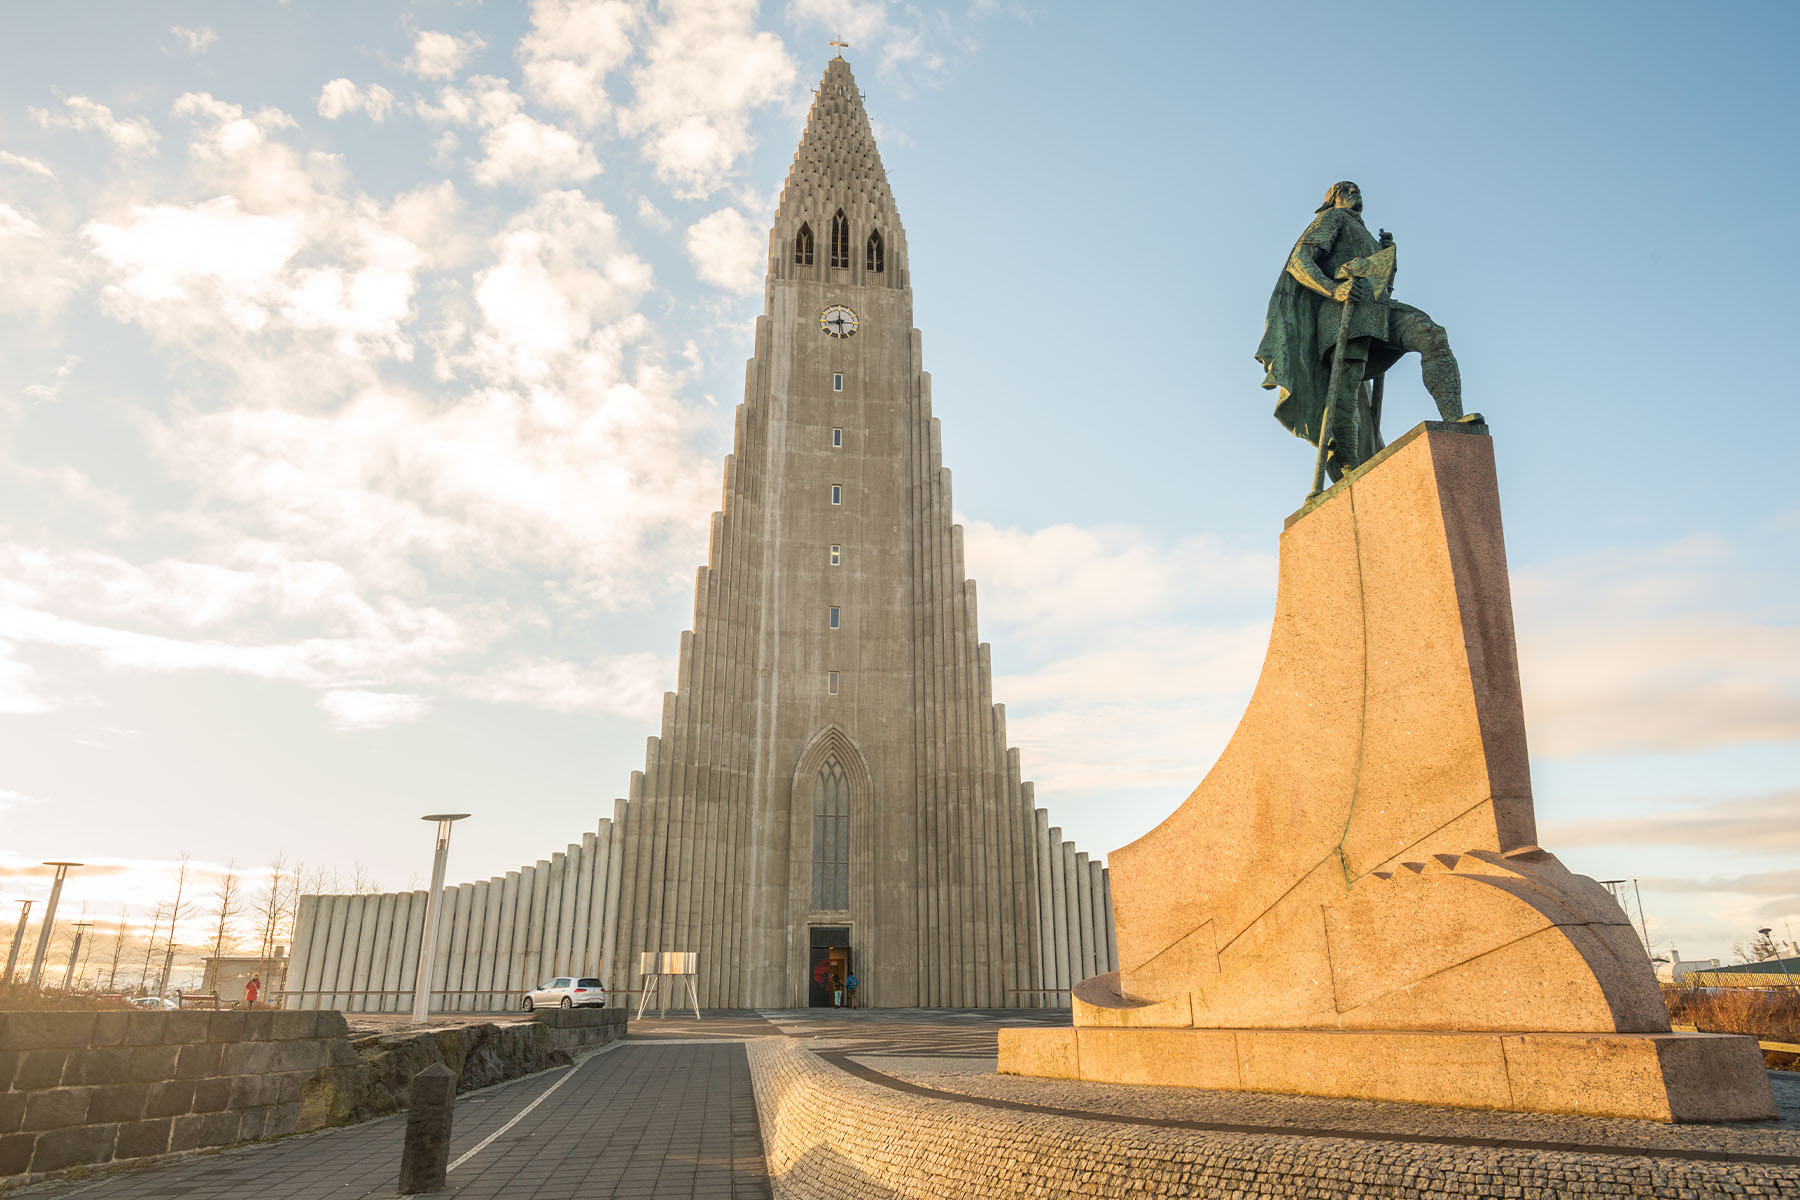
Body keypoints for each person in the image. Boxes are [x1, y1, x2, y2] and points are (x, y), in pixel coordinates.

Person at [1255, 181, 1469, 482]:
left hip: (1378, 309)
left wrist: (1386, 257)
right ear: (1331, 201)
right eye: (1345, 190)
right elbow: (1299, 261)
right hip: (1345, 310)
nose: (1353, 192)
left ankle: (1456, 421)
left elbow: (1382, 284)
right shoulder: (1331, 219)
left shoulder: (1366, 234)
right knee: (1347, 384)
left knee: (1432, 335)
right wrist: (1334, 289)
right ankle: (1349, 465)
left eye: (1356, 189)